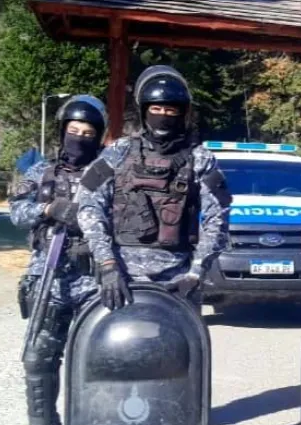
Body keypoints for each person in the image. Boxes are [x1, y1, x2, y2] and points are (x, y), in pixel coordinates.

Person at [75, 65, 231, 310]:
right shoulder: (118, 152)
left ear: (182, 113)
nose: (163, 115)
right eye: (156, 109)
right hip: (120, 278)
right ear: (144, 111)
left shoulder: (200, 158)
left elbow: (218, 219)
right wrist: (106, 264)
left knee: (185, 336)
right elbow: (88, 205)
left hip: (178, 279)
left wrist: (196, 272)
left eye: (170, 110)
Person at [10, 94, 107, 425]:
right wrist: (48, 208)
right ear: (62, 131)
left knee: (92, 362)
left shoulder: (107, 173)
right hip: (48, 277)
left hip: (93, 280)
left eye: (87, 133)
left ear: (98, 136)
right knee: (38, 356)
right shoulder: (40, 172)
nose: (79, 138)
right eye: (73, 131)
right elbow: (17, 213)